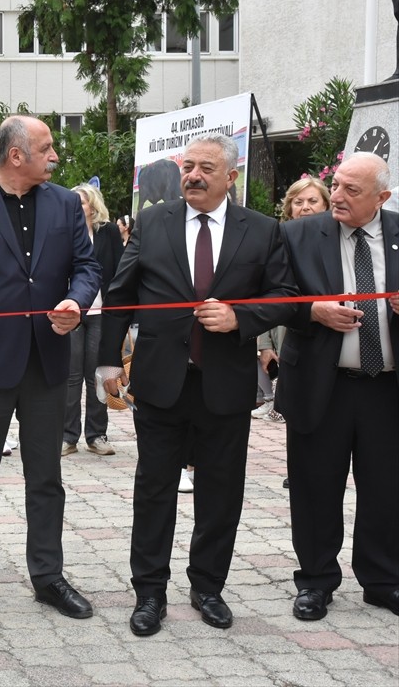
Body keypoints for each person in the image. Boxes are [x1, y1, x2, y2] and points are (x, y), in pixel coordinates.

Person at [99, 134, 295, 637]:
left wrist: (240, 317)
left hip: (225, 384)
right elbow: (120, 295)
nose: (193, 175)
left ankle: (208, 587)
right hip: (161, 382)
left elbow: (284, 295)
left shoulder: (262, 230)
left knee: (221, 492)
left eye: (206, 167)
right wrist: (106, 363)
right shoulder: (152, 222)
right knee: (154, 490)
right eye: (188, 166)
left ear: (231, 176)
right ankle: (149, 592)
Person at [0, 116, 101, 630]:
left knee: (46, 478)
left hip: (47, 361)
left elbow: (87, 267)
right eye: (46, 148)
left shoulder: (65, 204)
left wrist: (75, 302)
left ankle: (48, 577)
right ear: (16, 155)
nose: (55, 156)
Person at [275, 152, 398, 620]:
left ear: (382, 197)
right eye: (338, 185)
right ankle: (315, 581)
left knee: (387, 488)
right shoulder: (298, 234)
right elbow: (272, 297)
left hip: (387, 388)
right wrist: (312, 311)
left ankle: (382, 580)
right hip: (320, 384)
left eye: (352, 190)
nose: (338, 196)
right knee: (314, 486)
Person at [254, 177, 330, 423]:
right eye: (298, 202)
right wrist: (265, 344)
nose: (305, 207)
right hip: (286, 336)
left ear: (326, 205)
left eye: (312, 201)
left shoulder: (336, 242)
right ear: (289, 207)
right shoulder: (276, 241)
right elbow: (263, 294)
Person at [62, 184, 124, 456]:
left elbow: (121, 269)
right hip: (72, 313)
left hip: (102, 313)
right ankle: (67, 436)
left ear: (93, 206)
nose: (76, 207)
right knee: (71, 376)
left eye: (81, 202)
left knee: (97, 375)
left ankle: (97, 435)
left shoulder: (108, 232)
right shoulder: (62, 233)